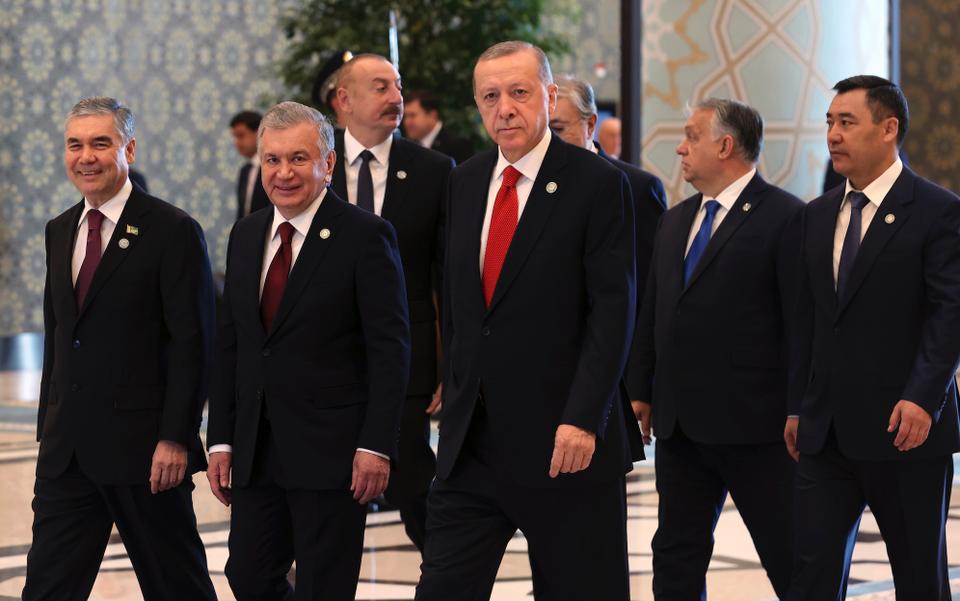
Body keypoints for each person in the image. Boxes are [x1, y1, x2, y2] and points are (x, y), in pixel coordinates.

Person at [415, 41, 642, 601]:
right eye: (490, 97)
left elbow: (612, 312)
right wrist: (455, 375)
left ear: (548, 95)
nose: (505, 108)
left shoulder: (596, 183)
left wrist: (584, 418)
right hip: (474, 444)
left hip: (564, 442)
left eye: (519, 93)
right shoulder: (463, 181)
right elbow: (463, 298)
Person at [206, 101, 410, 601]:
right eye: (272, 160)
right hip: (257, 449)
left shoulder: (365, 235)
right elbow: (232, 344)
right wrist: (222, 439)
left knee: (325, 586)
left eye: (298, 159)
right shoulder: (248, 233)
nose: (283, 173)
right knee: (248, 576)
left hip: (334, 451)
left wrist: (376, 444)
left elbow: (390, 348)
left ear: (328, 163)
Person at [23, 96, 217, 601]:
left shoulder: (172, 230)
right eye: (75, 145)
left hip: (145, 454)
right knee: (47, 588)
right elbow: (61, 334)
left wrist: (176, 436)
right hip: (68, 455)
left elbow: (192, 342)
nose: (85, 156)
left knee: (179, 587)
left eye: (100, 144)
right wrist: (50, 425)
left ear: (128, 148)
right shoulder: (59, 230)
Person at [786, 75, 960, 601]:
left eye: (847, 122)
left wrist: (923, 396)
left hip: (906, 430)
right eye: (829, 123)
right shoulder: (815, 216)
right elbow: (807, 320)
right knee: (811, 576)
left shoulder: (936, 210)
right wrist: (797, 405)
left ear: (889, 129)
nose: (833, 135)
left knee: (917, 579)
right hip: (826, 434)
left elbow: (949, 313)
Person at [630, 98, 802, 600]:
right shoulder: (675, 220)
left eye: (691, 136)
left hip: (759, 428)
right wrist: (641, 388)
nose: (680, 148)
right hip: (681, 426)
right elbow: (655, 309)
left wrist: (799, 409)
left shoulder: (786, 217)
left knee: (788, 555)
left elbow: (800, 325)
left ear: (725, 145)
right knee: (676, 554)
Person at [330, 53, 454, 551]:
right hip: (325, 364)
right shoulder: (315, 164)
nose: (396, 98)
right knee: (326, 498)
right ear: (344, 100)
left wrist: (452, 362)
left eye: (398, 86)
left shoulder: (435, 170)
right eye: (380, 87)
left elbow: (449, 277)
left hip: (406, 362)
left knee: (415, 488)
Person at [551, 74, 665, 300]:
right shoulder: (531, 185)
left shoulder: (638, 187)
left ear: (591, 124)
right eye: (542, 131)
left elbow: (648, 284)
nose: (549, 141)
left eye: (558, 128)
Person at [403, 90, 474, 164]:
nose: (407, 122)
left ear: (432, 115)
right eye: (406, 116)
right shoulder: (408, 147)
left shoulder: (458, 146)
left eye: (412, 115)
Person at [230, 110, 270, 220]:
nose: (236, 142)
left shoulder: (272, 167)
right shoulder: (245, 171)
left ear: (258, 133)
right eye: (235, 137)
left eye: (241, 136)